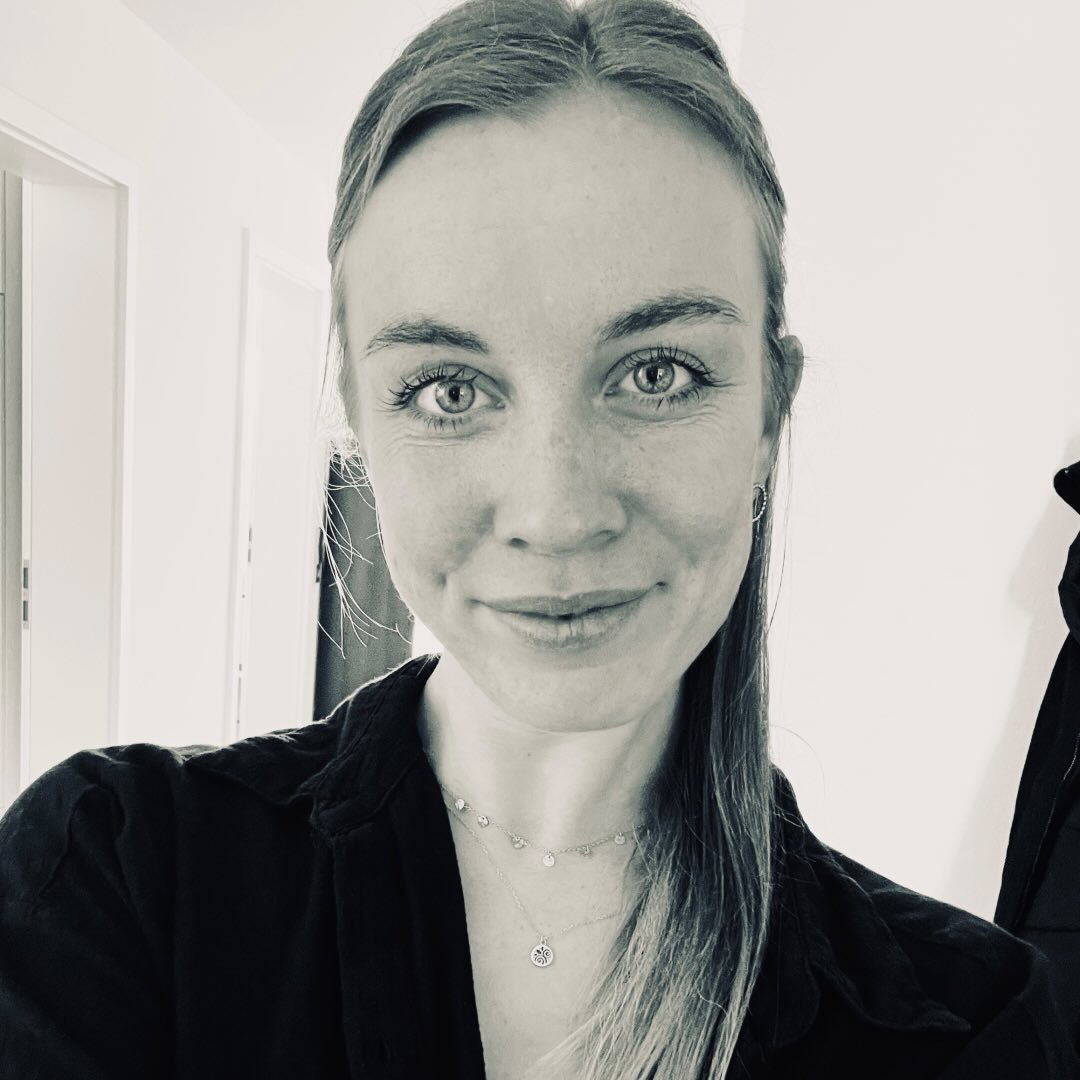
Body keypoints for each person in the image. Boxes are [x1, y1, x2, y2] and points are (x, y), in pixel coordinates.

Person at [0, 1, 1076, 1077]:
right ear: (361, 422)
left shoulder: (966, 1025)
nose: (556, 514)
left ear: (768, 415)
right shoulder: (113, 878)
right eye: (448, 388)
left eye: (658, 373)